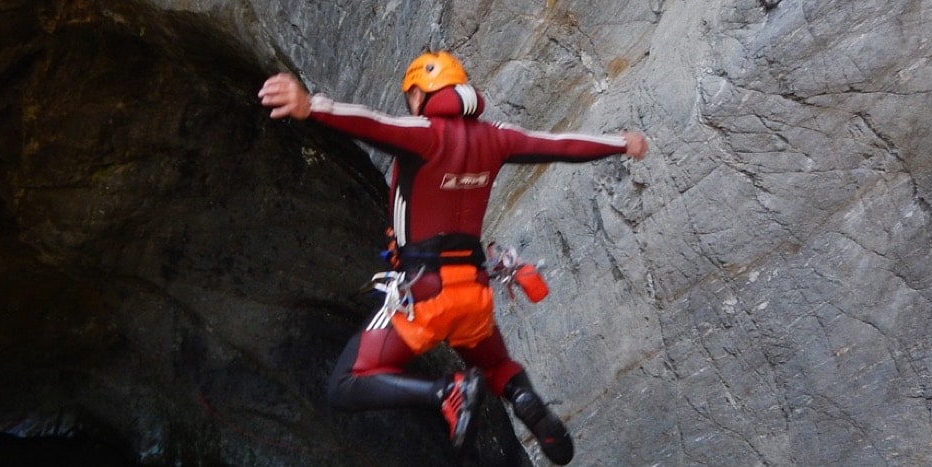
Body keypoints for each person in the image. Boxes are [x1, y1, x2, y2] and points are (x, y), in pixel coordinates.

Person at [258, 51, 647, 465]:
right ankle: (523, 395)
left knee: (345, 383)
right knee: (498, 365)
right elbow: (557, 144)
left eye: (410, 95)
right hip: (473, 295)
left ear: (419, 92)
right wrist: (621, 142)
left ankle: (446, 392)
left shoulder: (424, 134)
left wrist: (310, 106)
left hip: (423, 296)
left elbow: (370, 123)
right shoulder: (496, 137)